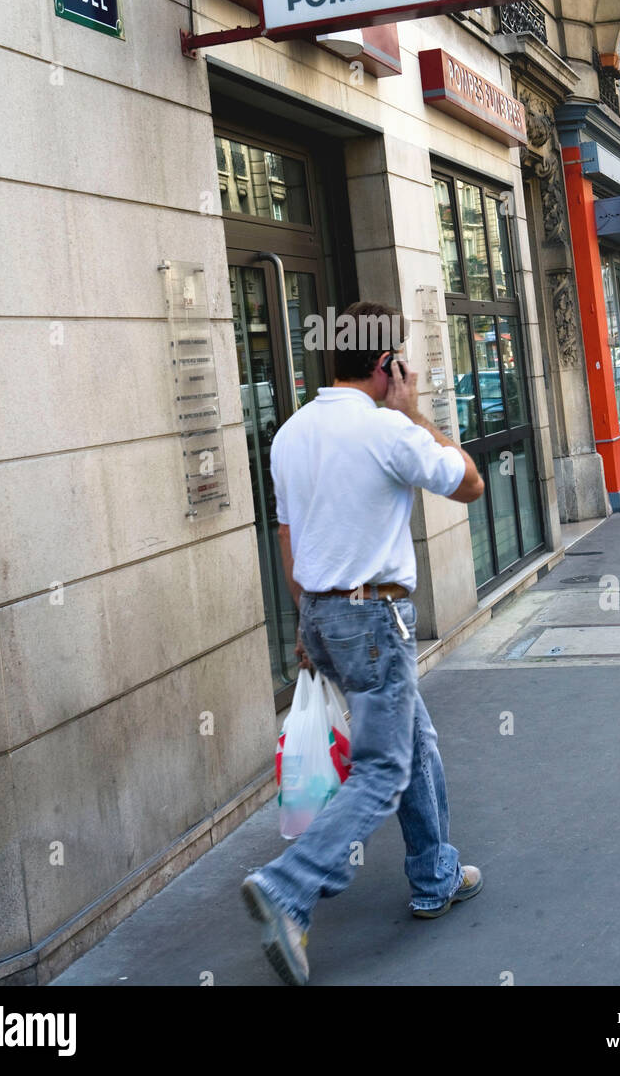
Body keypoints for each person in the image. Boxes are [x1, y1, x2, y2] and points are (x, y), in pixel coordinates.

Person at [241, 300, 486, 986]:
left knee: (414, 738)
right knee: (384, 769)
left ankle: (435, 872)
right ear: (387, 365)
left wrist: (304, 623)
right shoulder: (388, 431)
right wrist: (414, 412)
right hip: (376, 620)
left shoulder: (290, 433)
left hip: (321, 612)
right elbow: (468, 483)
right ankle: (288, 887)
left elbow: (290, 538)